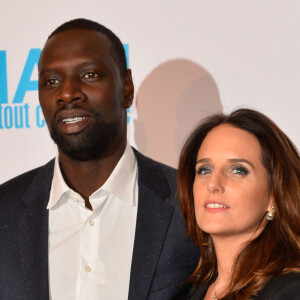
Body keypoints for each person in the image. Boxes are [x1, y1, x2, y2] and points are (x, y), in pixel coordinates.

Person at [0, 18, 199, 300]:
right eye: (51, 81)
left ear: (127, 88)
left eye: (89, 75)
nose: (67, 93)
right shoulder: (5, 211)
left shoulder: (189, 204)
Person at [177, 108, 300, 299]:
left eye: (238, 170)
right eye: (204, 169)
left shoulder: (291, 291)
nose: (213, 184)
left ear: (273, 195)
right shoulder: (187, 293)